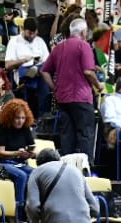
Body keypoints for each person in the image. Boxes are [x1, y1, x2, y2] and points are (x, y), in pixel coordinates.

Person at [42, 18, 99, 161]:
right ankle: (86, 169)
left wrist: (55, 88)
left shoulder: (59, 47)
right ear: (83, 32)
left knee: (67, 134)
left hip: (63, 97)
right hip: (81, 96)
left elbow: (44, 71)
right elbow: (88, 72)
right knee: (85, 134)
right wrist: (99, 85)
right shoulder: (84, 46)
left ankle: (67, 166)